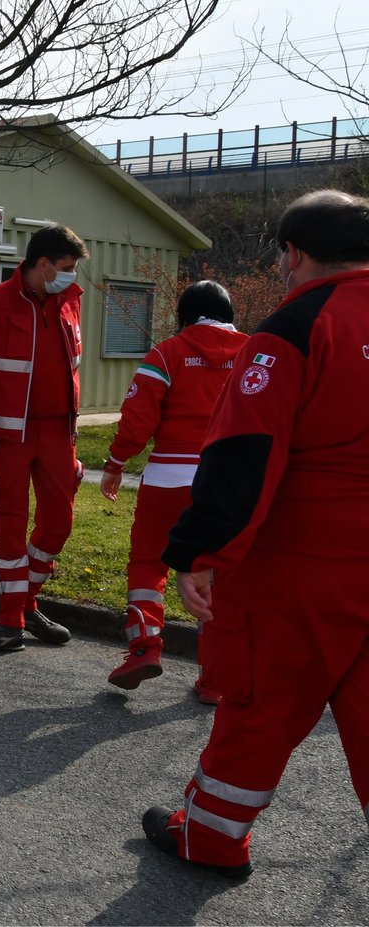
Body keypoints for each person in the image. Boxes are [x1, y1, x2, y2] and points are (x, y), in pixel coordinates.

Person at [144, 190, 369, 880]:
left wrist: (197, 553)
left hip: (300, 566)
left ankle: (210, 837)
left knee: (259, 705)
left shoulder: (294, 328)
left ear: (294, 253)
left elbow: (245, 454)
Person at [0, 225, 87, 654]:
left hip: (59, 432)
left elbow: (70, 367)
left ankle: (24, 605)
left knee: (59, 521)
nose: (71, 276)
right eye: (65, 268)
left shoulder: (69, 303)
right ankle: (9, 624)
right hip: (8, 435)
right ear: (42, 264)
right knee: (11, 524)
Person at [98, 281, 246, 694]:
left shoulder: (167, 353)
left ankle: (144, 647)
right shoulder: (257, 352)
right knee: (218, 574)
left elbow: (138, 417)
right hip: (230, 482)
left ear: (184, 316)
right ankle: (215, 679)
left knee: (149, 561)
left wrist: (115, 463)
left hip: (168, 477)